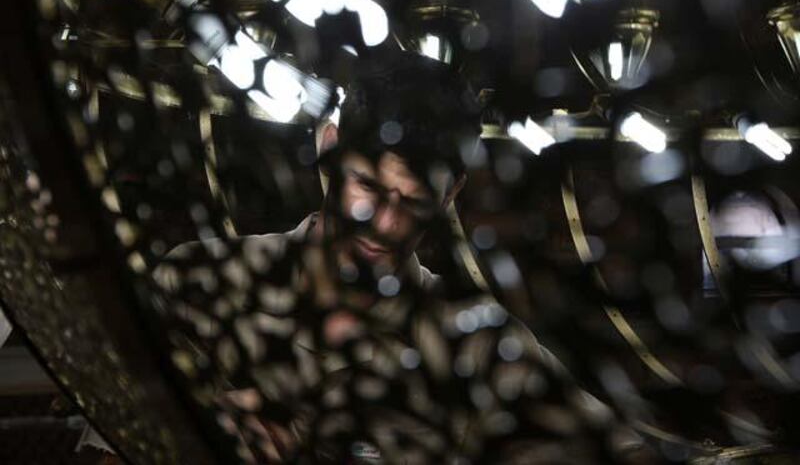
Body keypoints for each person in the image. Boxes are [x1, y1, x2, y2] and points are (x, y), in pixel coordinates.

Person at [155, 52, 642, 463]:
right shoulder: (202, 282)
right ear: (329, 150)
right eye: (367, 186)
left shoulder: (474, 346)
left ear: (450, 194)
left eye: (412, 203)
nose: (384, 226)